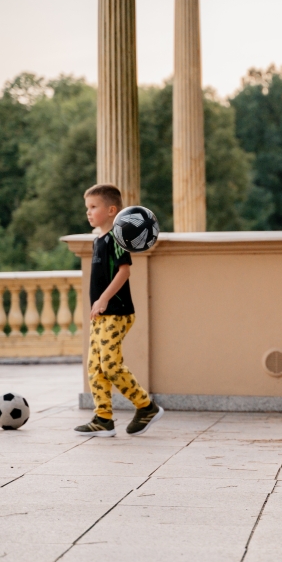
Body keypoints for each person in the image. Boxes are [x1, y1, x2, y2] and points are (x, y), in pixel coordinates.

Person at [74, 184, 164, 437]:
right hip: (102, 315)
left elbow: (124, 271)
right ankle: (103, 419)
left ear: (112, 210)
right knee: (95, 367)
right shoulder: (98, 240)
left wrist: (103, 299)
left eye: (94, 207)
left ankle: (146, 407)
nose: (88, 212)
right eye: (87, 207)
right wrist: (98, 305)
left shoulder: (117, 237)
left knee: (111, 366)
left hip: (117, 312)